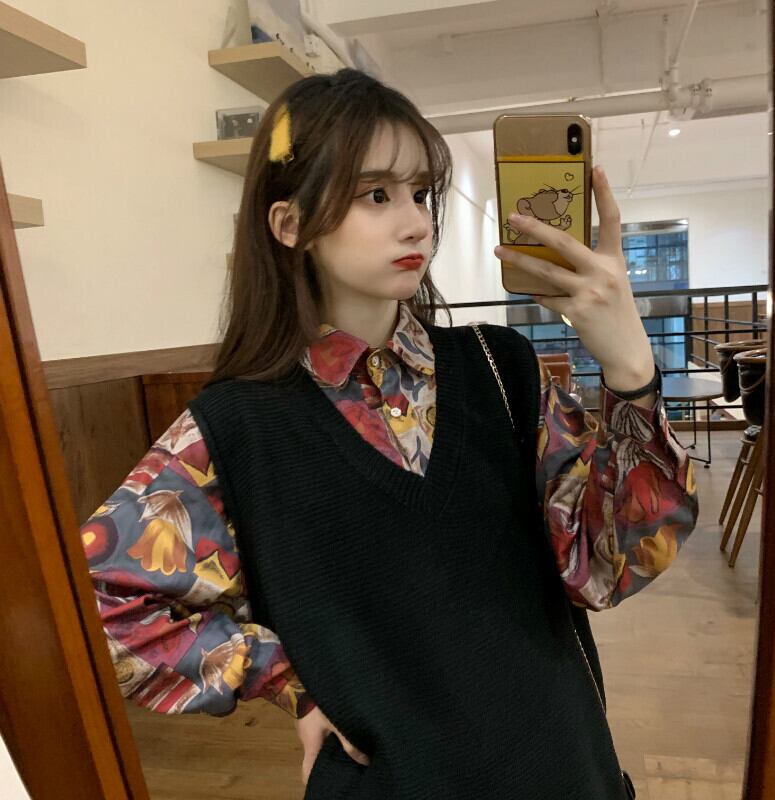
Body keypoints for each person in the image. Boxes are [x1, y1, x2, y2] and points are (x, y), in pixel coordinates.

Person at [79, 68, 698, 798]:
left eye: (420, 193)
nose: (415, 223)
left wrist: (631, 371)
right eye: (376, 195)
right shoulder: (235, 426)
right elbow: (102, 605)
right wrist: (284, 682)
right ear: (290, 224)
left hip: (560, 767)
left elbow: (609, 565)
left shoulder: (501, 369)